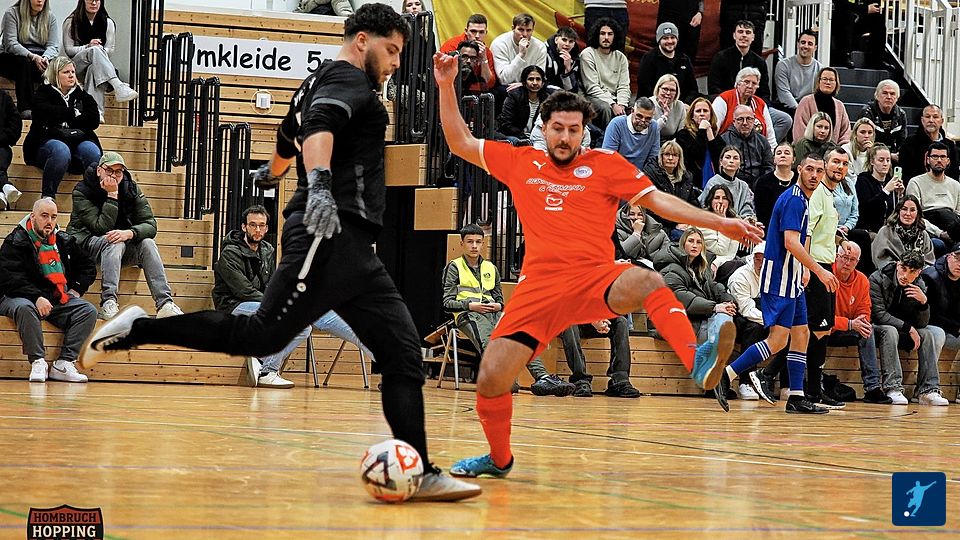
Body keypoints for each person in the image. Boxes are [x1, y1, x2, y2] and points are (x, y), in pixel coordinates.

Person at [80, 4, 481, 502]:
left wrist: (272, 172)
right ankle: (139, 329)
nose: (397, 62)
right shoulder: (347, 80)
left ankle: (420, 472)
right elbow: (319, 128)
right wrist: (319, 185)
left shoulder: (314, 82)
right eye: (392, 50)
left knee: (402, 351)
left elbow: (289, 136)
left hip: (356, 249)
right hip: (325, 233)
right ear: (362, 40)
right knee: (260, 335)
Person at [432, 54, 761, 477]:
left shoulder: (605, 166)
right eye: (558, 128)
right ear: (544, 128)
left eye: (574, 130)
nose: (565, 137)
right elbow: (460, 142)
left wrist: (719, 222)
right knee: (491, 379)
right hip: (538, 291)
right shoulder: (521, 162)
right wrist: (446, 84)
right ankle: (498, 459)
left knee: (646, 279)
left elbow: (660, 201)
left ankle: (696, 358)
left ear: (584, 132)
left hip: (593, 279)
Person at [723, 153, 840, 414]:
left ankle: (796, 396)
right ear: (799, 170)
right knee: (777, 340)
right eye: (809, 169)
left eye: (819, 171)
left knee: (802, 334)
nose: (814, 175)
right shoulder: (794, 200)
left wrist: (804, 270)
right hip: (779, 278)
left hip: (792, 278)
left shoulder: (804, 200)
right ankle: (727, 374)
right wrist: (819, 271)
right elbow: (790, 242)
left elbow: (800, 240)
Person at [214, 205, 373, 390]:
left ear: (266, 228)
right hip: (235, 305)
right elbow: (244, 291)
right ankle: (267, 371)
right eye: (253, 225)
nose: (257, 229)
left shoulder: (266, 250)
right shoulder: (230, 253)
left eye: (261, 225)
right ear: (244, 227)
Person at [442, 224, 574, 396]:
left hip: (493, 313)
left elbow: (499, 300)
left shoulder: (491, 268)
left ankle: (543, 377)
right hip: (468, 314)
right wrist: (470, 305)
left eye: (478, 242)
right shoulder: (454, 267)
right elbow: (447, 303)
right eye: (470, 242)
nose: (474, 246)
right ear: (462, 244)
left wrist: (498, 306)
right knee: (490, 340)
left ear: (483, 243)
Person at [66, 152, 183, 320]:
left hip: (118, 248)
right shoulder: (82, 191)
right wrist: (112, 195)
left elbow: (150, 225)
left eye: (118, 172)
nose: (113, 176)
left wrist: (130, 233)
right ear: (99, 170)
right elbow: (100, 227)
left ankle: (165, 304)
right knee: (114, 241)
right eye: (109, 170)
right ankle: (108, 301)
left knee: (147, 243)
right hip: (86, 246)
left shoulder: (131, 188)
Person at [0, 198, 96, 383]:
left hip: (53, 297)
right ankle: (37, 361)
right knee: (25, 308)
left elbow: (87, 266)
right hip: (15, 295)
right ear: (33, 216)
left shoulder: (63, 240)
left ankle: (64, 363)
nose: (49, 221)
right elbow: (10, 278)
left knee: (87, 311)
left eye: (53, 217)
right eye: (44, 216)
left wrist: (76, 289)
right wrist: (36, 296)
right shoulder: (15, 240)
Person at [658, 227, 739, 406]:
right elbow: (682, 297)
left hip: (700, 316)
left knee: (724, 317)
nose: (695, 245)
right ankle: (715, 377)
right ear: (683, 243)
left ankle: (714, 377)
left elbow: (714, 287)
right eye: (691, 241)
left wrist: (728, 300)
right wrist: (715, 307)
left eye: (699, 242)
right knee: (721, 321)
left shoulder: (701, 266)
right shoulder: (671, 267)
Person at [802, 147, 849, 410]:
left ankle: (813, 389)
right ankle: (810, 390)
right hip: (816, 266)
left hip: (825, 265)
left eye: (844, 163)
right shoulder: (818, 193)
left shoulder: (830, 194)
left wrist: (840, 241)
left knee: (821, 329)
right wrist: (807, 268)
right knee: (816, 329)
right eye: (835, 162)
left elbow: (822, 231)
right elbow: (806, 232)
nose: (839, 167)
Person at [870, 250, 948, 405]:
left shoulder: (919, 285)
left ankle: (927, 390)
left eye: (912, 272)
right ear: (898, 264)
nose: (905, 275)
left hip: (904, 329)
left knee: (927, 334)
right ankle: (893, 387)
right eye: (903, 268)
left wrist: (923, 303)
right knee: (890, 331)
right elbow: (879, 315)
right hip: (878, 328)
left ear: (918, 272)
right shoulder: (877, 278)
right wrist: (908, 328)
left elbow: (921, 324)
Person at [22, 56, 102, 199]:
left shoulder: (82, 95)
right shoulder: (42, 93)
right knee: (61, 150)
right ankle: (48, 197)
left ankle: (94, 197)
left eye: (73, 72)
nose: (71, 75)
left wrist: (61, 117)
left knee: (92, 151)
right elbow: (43, 115)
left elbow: (93, 120)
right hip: (44, 144)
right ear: (55, 74)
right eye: (66, 72)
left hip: (77, 141)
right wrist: (74, 113)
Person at [829, 242, 891, 403]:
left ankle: (872, 388)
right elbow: (822, 317)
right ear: (836, 257)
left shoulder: (862, 280)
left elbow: (865, 312)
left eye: (852, 260)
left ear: (857, 262)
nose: (847, 263)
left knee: (866, 329)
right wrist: (849, 323)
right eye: (844, 257)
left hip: (845, 328)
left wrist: (858, 323)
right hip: (824, 329)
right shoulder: (827, 275)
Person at [62, 0, 138, 118]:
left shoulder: (108, 22)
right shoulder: (71, 21)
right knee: (95, 50)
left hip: (98, 67)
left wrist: (99, 50)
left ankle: (95, 113)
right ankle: (118, 85)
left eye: (97, 0)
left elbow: (110, 50)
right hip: (76, 66)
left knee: (93, 69)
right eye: (90, 0)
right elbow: (69, 50)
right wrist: (88, 47)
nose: (93, 3)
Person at [0, 0, 60, 118]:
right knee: (23, 63)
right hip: (13, 56)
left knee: (55, 65)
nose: (40, 0)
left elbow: (53, 45)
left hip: (40, 56)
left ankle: (51, 109)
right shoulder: (12, 13)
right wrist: (32, 56)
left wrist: (45, 57)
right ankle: (25, 108)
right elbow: (11, 44)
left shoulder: (50, 17)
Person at [560, 316, 640, 398]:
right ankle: (580, 380)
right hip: (577, 320)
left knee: (621, 321)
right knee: (568, 322)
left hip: (601, 321)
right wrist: (593, 319)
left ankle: (619, 381)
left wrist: (603, 319)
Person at [726, 242, 766, 400]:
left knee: (795, 331)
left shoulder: (775, 274)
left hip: (765, 316)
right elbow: (746, 310)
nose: (761, 263)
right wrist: (773, 322)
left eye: (765, 260)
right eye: (758, 259)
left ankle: (785, 385)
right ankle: (745, 382)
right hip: (738, 319)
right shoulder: (740, 277)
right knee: (754, 328)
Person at [579, 18, 631, 130]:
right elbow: (592, 87)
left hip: (616, 97)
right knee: (605, 108)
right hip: (594, 96)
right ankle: (605, 138)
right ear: (597, 35)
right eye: (602, 33)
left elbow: (624, 86)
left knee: (636, 107)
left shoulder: (621, 57)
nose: (606, 37)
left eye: (610, 34)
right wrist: (613, 104)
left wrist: (622, 104)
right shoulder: (588, 54)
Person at [904, 142, 960, 243]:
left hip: (952, 227)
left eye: (942, 157)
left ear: (948, 161)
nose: (939, 160)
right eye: (935, 156)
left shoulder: (956, 185)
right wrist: (939, 233)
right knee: (938, 244)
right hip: (926, 229)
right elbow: (914, 215)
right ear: (928, 160)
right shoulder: (915, 182)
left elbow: (958, 214)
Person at [642, 140, 698, 238]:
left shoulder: (686, 177)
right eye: (667, 154)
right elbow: (651, 210)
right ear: (661, 157)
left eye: (675, 155)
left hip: (683, 225)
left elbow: (693, 204)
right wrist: (675, 225)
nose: (670, 158)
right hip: (660, 227)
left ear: (679, 158)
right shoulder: (650, 175)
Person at [712, 67, 778, 150]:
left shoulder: (760, 104)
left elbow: (770, 134)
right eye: (746, 82)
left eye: (754, 83)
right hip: (729, 150)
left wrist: (773, 152)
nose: (750, 86)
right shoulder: (723, 99)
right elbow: (713, 129)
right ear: (738, 83)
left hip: (757, 150)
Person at [634, 23, 698, 104]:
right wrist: (661, 102)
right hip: (653, 104)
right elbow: (644, 87)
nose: (670, 41)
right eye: (665, 38)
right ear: (659, 40)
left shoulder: (684, 59)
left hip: (680, 105)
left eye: (672, 37)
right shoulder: (649, 58)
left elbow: (693, 88)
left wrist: (686, 104)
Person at [709, 20, 771, 102]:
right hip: (726, 103)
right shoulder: (720, 58)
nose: (744, 35)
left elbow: (764, 92)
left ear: (753, 37)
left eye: (748, 32)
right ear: (734, 35)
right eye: (740, 32)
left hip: (752, 104)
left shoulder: (760, 62)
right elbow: (713, 88)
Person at [922, 248, 960, 372]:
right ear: (948, 257)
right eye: (958, 259)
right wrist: (956, 327)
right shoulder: (930, 276)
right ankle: (927, 382)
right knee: (938, 334)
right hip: (930, 326)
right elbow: (930, 315)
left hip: (951, 329)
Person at [872, 195, 935, 270]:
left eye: (912, 210)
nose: (908, 214)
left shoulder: (923, 234)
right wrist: (903, 270)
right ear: (898, 211)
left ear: (917, 213)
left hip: (919, 272)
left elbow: (929, 261)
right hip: (891, 272)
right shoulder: (885, 231)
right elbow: (880, 260)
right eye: (904, 209)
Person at [900, 105, 960, 182]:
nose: (931, 120)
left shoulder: (950, 146)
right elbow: (905, 173)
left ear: (942, 121)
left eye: (935, 117)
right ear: (922, 120)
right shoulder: (909, 143)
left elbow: (954, 174)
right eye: (927, 116)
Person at [792, 67, 851, 145]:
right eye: (825, 79)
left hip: (834, 150)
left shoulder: (840, 106)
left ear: (836, 83)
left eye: (831, 80)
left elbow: (845, 132)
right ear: (818, 81)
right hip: (807, 149)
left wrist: (839, 149)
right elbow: (799, 130)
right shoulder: (806, 102)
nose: (828, 82)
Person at [720, 104, 774, 188]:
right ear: (734, 121)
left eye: (749, 119)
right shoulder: (723, 140)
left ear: (754, 120)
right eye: (740, 119)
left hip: (759, 186)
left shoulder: (762, 140)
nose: (745, 123)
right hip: (732, 185)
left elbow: (769, 167)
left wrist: (761, 184)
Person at [438, 14, 497, 90]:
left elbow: (489, 84)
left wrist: (484, 59)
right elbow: (441, 76)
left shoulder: (486, 52)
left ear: (486, 33)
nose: (477, 36)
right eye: (473, 31)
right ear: (466, 31)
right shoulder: (451, 46)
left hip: (476, 91)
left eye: (481, 32)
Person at [674, 97, 724, 185]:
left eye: (705, 111)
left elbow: (720, 160)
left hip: (715, 182)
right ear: (692, 116)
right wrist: (702, 131)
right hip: (693, 182)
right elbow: (698, 156)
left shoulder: (716, 136)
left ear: (711, 115)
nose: (702, 114)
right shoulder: (683, 135)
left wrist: (710, 136)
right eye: (698, 111)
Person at [496, 66, 552, 144]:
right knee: (516, 141)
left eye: (538, 79)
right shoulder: (514, 96)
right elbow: (506, 123)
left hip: (537, 138)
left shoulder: (547, 99)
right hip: (514, 136)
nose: (535, 83)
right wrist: (525, 137)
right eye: (531, 79)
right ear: (524, 82)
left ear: (542, 83)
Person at [700, 146, 757, 221]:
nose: (731, 161)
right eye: (728, 157)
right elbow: (704, 207)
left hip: (740, 223)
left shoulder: (743, 186)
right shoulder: (713, 182)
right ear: (721, 162)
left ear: (740, 164)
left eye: (735, 158)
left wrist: (748, 220)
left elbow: (747, 210)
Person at [601, 97, 660, 169]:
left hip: (642, 173)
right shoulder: (616, 124)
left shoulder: (654, 126)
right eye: (639, 116)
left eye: (648, 119)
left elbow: (653, 158)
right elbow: (608, 156)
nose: (642, 121)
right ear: (632, 111)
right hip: (616, 170)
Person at [490, 13, 547, 87]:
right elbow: (504, 80)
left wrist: (523, 84)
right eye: (521, 30)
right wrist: (521, 55)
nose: (525, 34)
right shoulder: (499, 43)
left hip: (530, 86)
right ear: (513, 28)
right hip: (506, 87)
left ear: (533, 30)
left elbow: (540, 78)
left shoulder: (540, 47)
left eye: (529, 30)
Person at [774, 29, 821, 117]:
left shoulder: (820, 69)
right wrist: (801, 111)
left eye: (810, 44)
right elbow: (784, 93)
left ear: (815, 48)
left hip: (810, 109)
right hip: (787, 109)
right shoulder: (783, 65)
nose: (805, 46)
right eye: (803, 42)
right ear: (798, 44)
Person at [858, 80, 907, 160]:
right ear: (877, 96)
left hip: (893, 155)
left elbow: (902, 140)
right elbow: (865, 141)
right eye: (885, 93)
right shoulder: (867, 112)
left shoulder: (901, 114)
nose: (889, 97)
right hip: (869, 155)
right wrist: (889, 156)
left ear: (897, 98)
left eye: (892, 94)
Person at [699, 184, 743, 269]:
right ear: (710, 201)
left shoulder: (734, 221)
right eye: (717, 198)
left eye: (724, 198)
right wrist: (723, 222)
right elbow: (720, 250)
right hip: (706, 262)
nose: (720, 201)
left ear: (729, 202)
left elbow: (731, 254)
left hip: (723, 262)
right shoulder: (701, 221)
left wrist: (717, 263)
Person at [753, 143, 796, 227]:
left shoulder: (800, 180)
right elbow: (760, 212)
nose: (782, 155)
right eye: (779, 153)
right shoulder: (763, 182)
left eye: (787, 153)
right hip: (770, 227)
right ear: (774, 159)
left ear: (794, 159)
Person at [0, 90, 23, 210]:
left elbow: (16, 123)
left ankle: (1, 193)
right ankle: (4, 186)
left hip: (1, 145)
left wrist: (3, 137)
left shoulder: (4, 97)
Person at [650, 74, 688, 141]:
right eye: (665, 89)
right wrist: (665, 116)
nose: (668, 93)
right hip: (651, 141)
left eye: (672, 90)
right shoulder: (649, 104)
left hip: (673, 143)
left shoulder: (680, 106)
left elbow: (682, 133)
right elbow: (650, 132)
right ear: (658, 89)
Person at [543, 26, 581, 93]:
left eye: (571, 41)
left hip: (564, 94)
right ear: (556, 40)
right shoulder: (544, 52)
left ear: (574, 44)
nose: (567, 44)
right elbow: (543, 83)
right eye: (564, 40)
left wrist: (568, 69)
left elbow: (572, 90)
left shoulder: (575, 58)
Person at [842, 118, 876, 184]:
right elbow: (849, 178)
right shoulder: (845, 150)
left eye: (870, 133)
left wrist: (873, 154)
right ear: (855, 134)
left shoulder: (875, 151)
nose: (866, 136)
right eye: (862, 132)